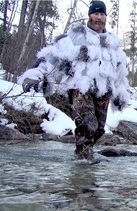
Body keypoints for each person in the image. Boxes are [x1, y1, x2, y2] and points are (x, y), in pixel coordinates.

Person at [18, 0, 130, 160]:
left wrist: (120, 94)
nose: (98, 17)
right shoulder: (76, 36)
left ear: (105, 17)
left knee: (98, 130)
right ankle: (82, 165)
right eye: (95, 14)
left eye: (101, 14)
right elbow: (53, 56)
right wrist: (36, 74)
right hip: (80, 87)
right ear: (89, 15)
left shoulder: (112, 44)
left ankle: (83, 156)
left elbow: (119, 73)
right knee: (88, 123)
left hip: (103, 91)